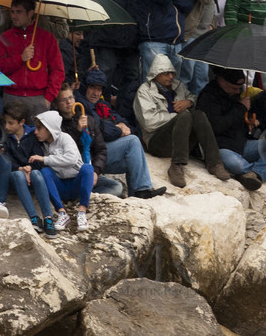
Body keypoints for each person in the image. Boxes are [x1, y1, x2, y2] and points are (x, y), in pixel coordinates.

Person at [134, 53, 224, 188]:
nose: (170, 76)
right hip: (157, 142)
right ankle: (177, 166)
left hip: (181, 141)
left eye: (172, 73)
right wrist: (177, 117)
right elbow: (149, 122)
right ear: (156, 74)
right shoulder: (144, 91)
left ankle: (214, 162)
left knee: (198, 114)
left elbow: (193, 98)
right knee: (185, 116)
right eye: (166, 73)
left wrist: (188, 102)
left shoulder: (177, 85)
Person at [196, 68, 266, 190]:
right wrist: (240, 107)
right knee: (236, 165)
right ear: (222, 81)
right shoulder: (208, 96)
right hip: (221, 146)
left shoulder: (237, 94)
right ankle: (263, 171)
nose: (238, 91)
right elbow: (216, 127)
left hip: (241, 143)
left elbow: (239, 120)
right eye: (234, 88)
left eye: (239, 88)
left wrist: (249, 121)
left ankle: (254, 173)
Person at [81, 69, 166, 199]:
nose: (96, 93)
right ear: (85, 87)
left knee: (133, 160)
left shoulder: (101, 104)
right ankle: (141, 190)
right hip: (91, 155)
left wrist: (122, 125)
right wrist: (119, 129)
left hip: (101, 152)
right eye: (92, 87)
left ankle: (136, 196)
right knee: (132, 141)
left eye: (99, 89)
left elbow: (120, 119)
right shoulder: (81, 104)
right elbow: (102, 130)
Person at [0, 0, 64, 116]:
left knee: (39, 134)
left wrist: (48, 97)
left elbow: (58, 70)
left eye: (19, 12)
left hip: (38, 99)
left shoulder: (47, 38)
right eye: (12, 11)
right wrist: (20, 58)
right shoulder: (3, 38)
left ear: (30, 13)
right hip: (11, 97)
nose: (14, 16)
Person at [0, 98, 58, 235]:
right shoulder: (4, 138)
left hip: (32, 176)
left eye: (11, 123)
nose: (6, 126)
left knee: (37, 173)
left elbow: (38, 158)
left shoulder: (32, 136)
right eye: (5, 122)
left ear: (22, 122)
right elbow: (4, 160)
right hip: (15, 179)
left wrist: (30, 168)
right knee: (18, 175)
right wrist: (20, 168)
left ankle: (48, 218)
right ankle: (33, 217)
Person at [35, 108, 94, 230]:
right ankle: (62, 213)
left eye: (39, 129)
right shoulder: (42, 144)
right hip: (60, 185)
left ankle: (82, 211)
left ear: (49, 128)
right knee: (45, 172)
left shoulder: (65, 138)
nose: (36, 132)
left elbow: (71, 159)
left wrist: (45, 159)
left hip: (76, 183)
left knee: (87, 168)